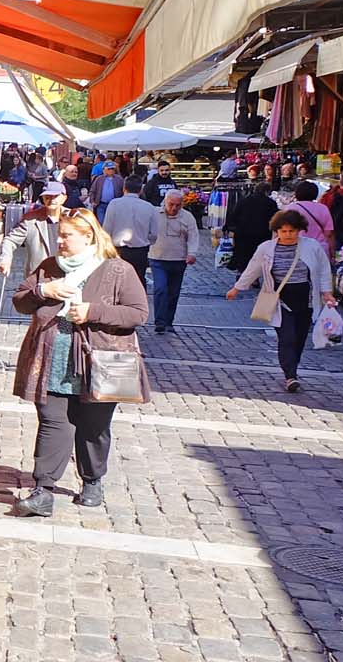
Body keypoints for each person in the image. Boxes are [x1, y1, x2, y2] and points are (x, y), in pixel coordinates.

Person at [11, 209, 151, 516]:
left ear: (88, 236)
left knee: (93, 425)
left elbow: (138, 313)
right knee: (52, 422)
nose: (59, 240)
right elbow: (20, 301)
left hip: (98, 360)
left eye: (66, 236)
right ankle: (43, 490)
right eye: (59, 234)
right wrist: (42, 290)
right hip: (52, 358)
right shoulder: (49, 267)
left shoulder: (118, 270)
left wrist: (93, 312)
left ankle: (92, 480)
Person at [227, 209, 336, 392]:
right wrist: (237, 288)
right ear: (276, 230)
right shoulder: (266, 248)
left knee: (299, 338)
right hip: (279, 299)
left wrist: (327, 293)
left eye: (292, 231)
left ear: (300, 230)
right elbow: (253, 268)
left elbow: (323, 270)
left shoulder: (312, 246)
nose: (288, 235)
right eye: (284, 231)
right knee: (287, 338)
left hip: (305, 298)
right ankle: (290, 375)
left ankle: (292, 367)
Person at [149, 190, 201, 333]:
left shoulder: (188, 217)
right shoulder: (154, 214)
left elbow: (193, 236)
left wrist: (192, 253)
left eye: (177, 205)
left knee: (173, 292)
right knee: (160, 289)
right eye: (171, 204)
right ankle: (159, 321)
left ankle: (168, 321)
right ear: (165, 202)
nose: (174, 208)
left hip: (178, 259)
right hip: (157, 257)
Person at [0, 181, 68, 275]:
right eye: (48, 196)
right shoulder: (30, 219)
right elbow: (10, 240)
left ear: (64, 198)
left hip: (66, 274)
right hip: (39, 276)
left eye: (56, 196)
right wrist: (5, 259)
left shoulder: (73, 218)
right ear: (43, 198)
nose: (51, 200)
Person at [103, 178, 159, 286]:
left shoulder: (114, 204)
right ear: (140, 190)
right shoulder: (149, 207)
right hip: (140, 251)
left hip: (119, 250)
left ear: (124, 188)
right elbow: (154, 234)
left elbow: (106, 229)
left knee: (117, 282)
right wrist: (146, 241)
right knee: (138, 281)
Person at [227, 180, 278, 272]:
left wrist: (230, 227)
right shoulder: (270, 203)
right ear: (267, 191)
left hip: (243, 232)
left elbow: (234, 215)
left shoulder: (244, 201)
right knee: (258, 256)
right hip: (262, 233)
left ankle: (242, 272)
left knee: (244, 255)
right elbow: (275, 218)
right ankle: (255, 278)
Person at [289, 181, 336, 255]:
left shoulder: (289, 208)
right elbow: (329, 234)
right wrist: (333, 252)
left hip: (297, 249)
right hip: (319, 249)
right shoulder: (323, 208)